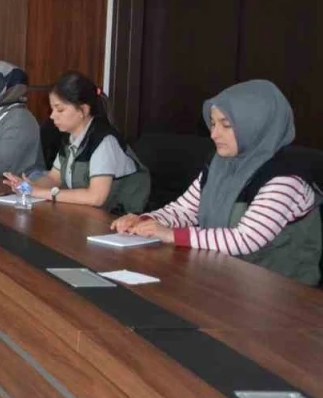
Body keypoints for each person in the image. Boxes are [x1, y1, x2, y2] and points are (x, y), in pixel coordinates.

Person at [112, 80, 320, 285]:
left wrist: (171, 234)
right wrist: (146, 221)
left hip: (281, 291)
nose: (214, 134)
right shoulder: (221, 164)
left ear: (256, 126)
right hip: (227, 279)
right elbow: (184, 210)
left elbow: (245, 239)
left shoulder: (285, 179)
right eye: (213, 124)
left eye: (226, 125)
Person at [2, 71, 150, 213]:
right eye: (52, 109)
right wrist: (27, 186)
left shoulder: (104, 141)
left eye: (60, 110)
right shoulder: (70, 137)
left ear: (83, 110)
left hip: (118, 219)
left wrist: (40, 192)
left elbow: (95, 197)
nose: (52, 116)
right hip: (86, 215)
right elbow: (53, 178)